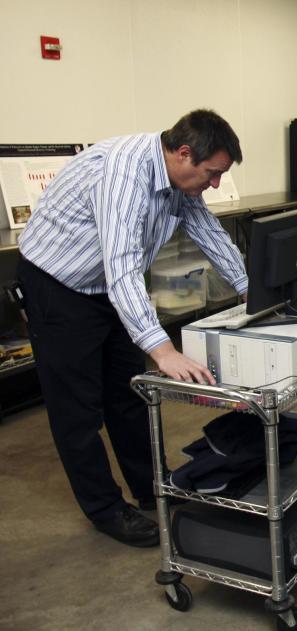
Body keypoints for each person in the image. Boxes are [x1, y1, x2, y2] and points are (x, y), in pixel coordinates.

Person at [16, 109, 247, 547]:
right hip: (58, 286)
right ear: (183, 153)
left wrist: (251, 287)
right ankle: (106, 509)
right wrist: (163, 349)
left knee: (128, 395)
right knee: (78, 410)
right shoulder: (122, 174)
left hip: (106, 287)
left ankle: (152, 488)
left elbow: (207, 231)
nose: (215, 184)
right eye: (213, 174)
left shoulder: (179, 180)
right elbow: (121, 264)